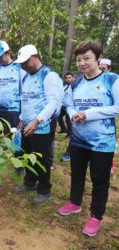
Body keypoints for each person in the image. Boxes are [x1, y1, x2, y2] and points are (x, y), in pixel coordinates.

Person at [57, 41, 119, 237]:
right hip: (78, 140)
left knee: (99, 181)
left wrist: (88, 113)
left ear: (98, 57)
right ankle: (75, 203)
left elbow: (117, 107)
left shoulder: (112, 80)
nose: (82, 63)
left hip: (102, 142)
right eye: (78, 59)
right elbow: (69, 103)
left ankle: (96, 216)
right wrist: (75, 113)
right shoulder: (75, 83)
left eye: (87, 58)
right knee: (77, 173)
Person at [13, 44, 63, 205]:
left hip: (42, 126)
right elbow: (26, 100)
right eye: (21, 63)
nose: (23, 66)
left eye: (25, 62)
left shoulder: (49, 76)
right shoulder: (25, 76)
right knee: (27, 155)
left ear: (35, 57)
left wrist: (37, 121)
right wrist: (22, 118)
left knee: (41, 160)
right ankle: (29, 182)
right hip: (27, 125)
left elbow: (53, 103)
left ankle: (44, 190)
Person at [0, 40, 24, 136]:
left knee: (14, 138)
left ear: (8, 53)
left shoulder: (18, 67)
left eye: (0, 56)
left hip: (13, 110)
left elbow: (24, 89)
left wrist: (23, 113)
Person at [58, 72, 74, 136]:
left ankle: (69, 134)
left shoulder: (74, 86)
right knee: (58, 117)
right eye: (66, 78)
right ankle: (63, 129)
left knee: (68, 121)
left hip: (69, 106)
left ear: (73, 78)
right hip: (63, 105)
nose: (68, 79)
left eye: (69, 77)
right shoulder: (64, 87)